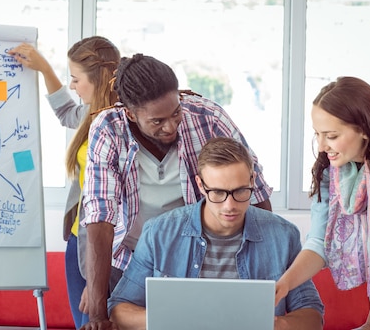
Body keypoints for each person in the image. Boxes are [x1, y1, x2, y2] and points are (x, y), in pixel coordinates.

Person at [80, 53, 274, 329]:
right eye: (157, 121)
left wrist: (261, 271)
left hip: (194, 259)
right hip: (129, 259)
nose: (170, 126)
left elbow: (256, 192)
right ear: (131, 114)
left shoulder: (209, 117)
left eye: (175, 113)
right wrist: (98, 314)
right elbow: (100, 215)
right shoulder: (108, 128)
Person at [108, 137, 324, 330]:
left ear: (252, 181)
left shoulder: (283, 235)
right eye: (218, 192)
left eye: (240, 191)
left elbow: (313, 316)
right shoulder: (160, 233)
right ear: (201, 185)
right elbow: (118, 309)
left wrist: (277, 325)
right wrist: (171, 319)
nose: (230, 205)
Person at [274, 76, 370, 330]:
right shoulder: (331, 173)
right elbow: (319, 242)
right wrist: (284, 284)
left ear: (364, 129)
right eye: (317, 134)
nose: (322, 145)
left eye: (332, 135)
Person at [9, 36, 120, 329]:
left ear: (97, 79)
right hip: (77, 239)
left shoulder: (121, 123)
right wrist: (45, 70)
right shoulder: (90, 113)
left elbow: (127, 208)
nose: (72, 86)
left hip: (103, 246)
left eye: (75, 79)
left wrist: (97, 282)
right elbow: (65, 113)